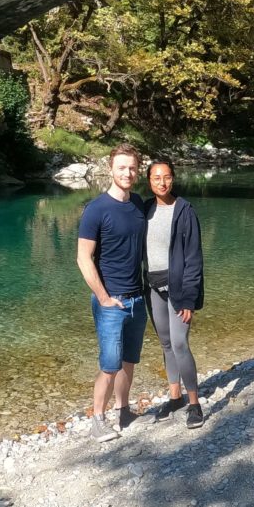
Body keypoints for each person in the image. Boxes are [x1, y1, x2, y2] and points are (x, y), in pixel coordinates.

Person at [76, 144, 148, 440]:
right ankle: (97, 420)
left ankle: (123, 409)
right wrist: (104, 298)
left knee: (129, 361)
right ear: (110, 169)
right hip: (111, 301)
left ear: (137, 170)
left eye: (132, 168)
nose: (127, 173)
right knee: (109, 365)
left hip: (138, 298)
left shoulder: (139, 204)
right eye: (121, 167)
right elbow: (83, 258)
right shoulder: (96, 209)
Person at [143, 158, 205, 428]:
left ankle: (194, 403)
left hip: (179, 287)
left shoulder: (185, 211)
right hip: (152, 286)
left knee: (180, 343)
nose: (162, 182)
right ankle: (175, 397)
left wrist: (190, 297)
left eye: (166, 177)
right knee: (166, 343)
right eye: (156, 178)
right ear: (149, 181)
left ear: (173, 179)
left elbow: (193, 257)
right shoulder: (143, 209)